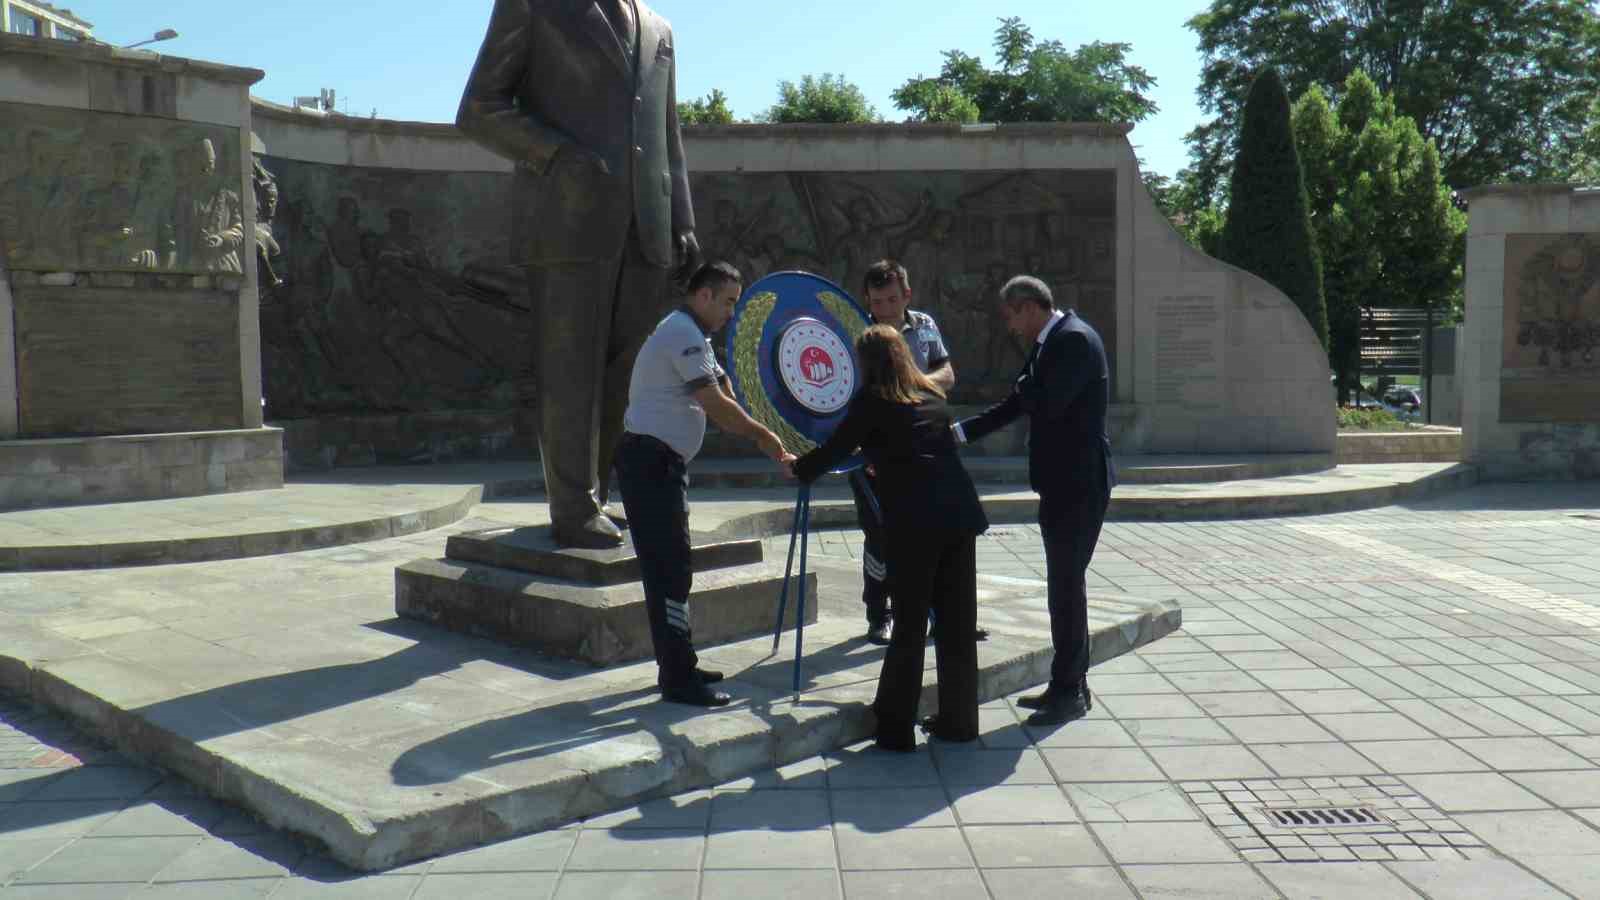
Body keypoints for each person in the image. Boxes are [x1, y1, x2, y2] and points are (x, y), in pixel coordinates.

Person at [457, 0, 701, 549]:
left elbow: (669, 134)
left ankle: (605, 498)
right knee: (569, 374)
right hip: (566, 222)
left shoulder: (659, 27)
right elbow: (478, 107)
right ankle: (572, 507)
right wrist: (556, 154)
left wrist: (681, 218)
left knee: (626, 374)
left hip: (647, 225)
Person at [792, 325, 988, 751]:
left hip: (916, 523)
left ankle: (896, 727)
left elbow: (838, 449)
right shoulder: (933, 397)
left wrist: (798, 468)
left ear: (866, 364)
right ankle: (960, 721)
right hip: (958, 515)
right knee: (956, 623)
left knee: (911, 624)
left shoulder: (872, 400)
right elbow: (914, 443)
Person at [616, 262, 793, 707]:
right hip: (650, 464)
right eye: (729, 301)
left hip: (661, 464)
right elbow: (714, 402)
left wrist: (769, 434)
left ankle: (682, 662)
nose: (732, 311)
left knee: (674, 566)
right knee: (669, 569)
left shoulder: (695, 336)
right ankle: (677, 678)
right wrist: (766, 438)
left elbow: (726, 392)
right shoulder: (682, 333)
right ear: (704, 296)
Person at [954, 275, 1115, 727]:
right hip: (1062, 484)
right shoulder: (1053, 341)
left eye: (1011, 316)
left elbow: (1046, 404)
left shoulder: (1074, 341)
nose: (1010, 327)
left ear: (1027, 307)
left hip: (1079, 484)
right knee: (1064, 587)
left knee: (1066, 587)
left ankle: (1070, 689)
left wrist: (1028, 392)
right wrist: (960, 433)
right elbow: (1020, 401)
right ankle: (1068, 684)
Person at [849, 260, 969, 645]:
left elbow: (947, 374)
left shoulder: (924, 326)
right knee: (879, 533)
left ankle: (933, 610)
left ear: (907, 296)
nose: (884, 308)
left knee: (928, 532)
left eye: (891, 299)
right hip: (875, 449)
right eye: (877, 300)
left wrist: (910, 390)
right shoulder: (855, 329)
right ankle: (878, 613)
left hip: (922, 446)